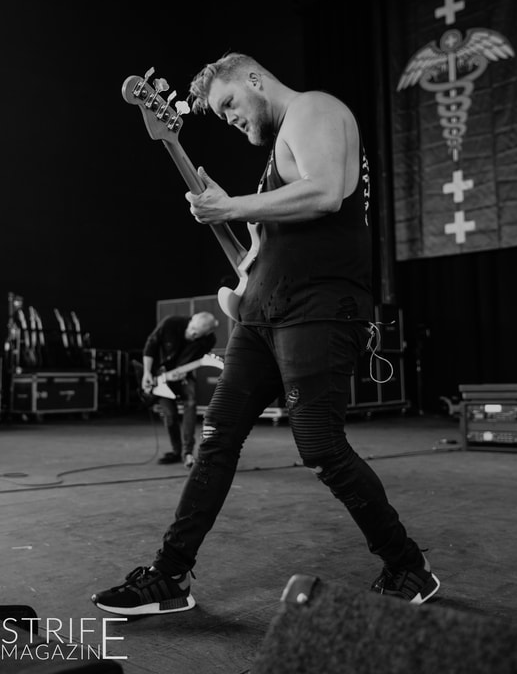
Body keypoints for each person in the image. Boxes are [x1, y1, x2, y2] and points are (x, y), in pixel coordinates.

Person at [92, 52, 440, 616]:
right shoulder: (274, 160)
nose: (230, 117)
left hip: (319, 307)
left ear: (255, 79)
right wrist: (228, 220)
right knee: (215, 438)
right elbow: (256, 260)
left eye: (230, 102)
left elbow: (326, 191)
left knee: (321, 447)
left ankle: (408, 567)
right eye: (220, 114)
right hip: (262, 313)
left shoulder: (314, 109)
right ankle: (170, 575)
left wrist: (231, 205)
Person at [142, 312, 218, 468]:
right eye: (192, 329)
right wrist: (147, 372)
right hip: (158, 375)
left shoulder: (209, 340)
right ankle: (176, 451)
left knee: (190, 402)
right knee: (170, 415)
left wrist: (182, 371)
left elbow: (196, 360)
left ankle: (187, 452)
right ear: (191, 320)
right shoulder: (171, 323)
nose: (192, 334)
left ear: (207, 333)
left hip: (183, 374)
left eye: (197, 334)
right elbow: (151, 344)